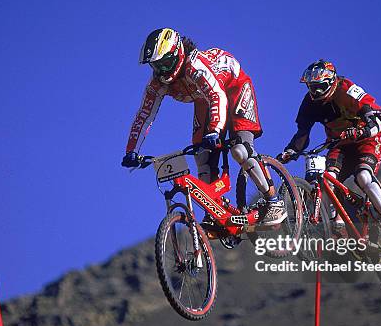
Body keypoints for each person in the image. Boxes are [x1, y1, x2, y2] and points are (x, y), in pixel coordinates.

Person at [121, 28, 286, 225]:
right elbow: (144, 115)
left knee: (240, 151)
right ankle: (213, 211)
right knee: (202, 156)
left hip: (234, 88)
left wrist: (215, 130)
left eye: (164, 63)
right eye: (156, 66)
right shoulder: (157, 82)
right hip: (204, 100)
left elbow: (218, 95)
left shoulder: (195, 66)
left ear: (177, 54)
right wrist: (131, 151)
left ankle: (274, 201)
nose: (161, 71)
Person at [278, 59, 381, 250]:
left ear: (331, 82)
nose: (315, 92)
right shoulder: (309, 103)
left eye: (320, 87)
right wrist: (291, 151)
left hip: (365, 142)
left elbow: (380, 116)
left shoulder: (347, 89)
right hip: (339, 146)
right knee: (327, 180)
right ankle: (338, 227)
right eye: (312, 87)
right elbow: (302, 134)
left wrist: (364, 130)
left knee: (363, 176)